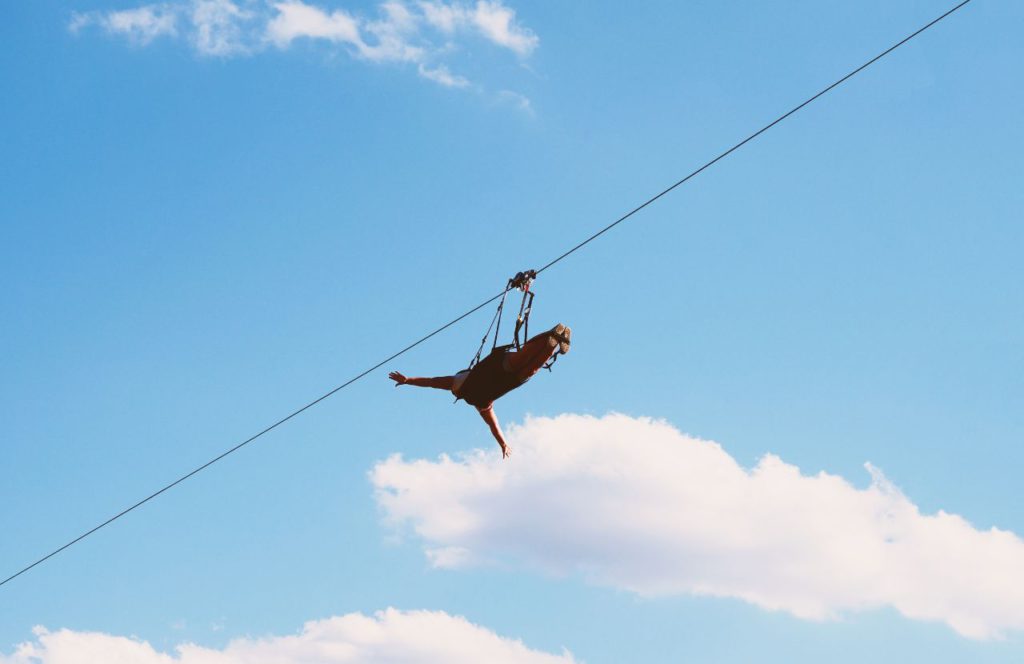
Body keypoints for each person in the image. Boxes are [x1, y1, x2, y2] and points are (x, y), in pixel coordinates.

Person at [389, 324, 571, 459]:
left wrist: (408, 381)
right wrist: (503, 443)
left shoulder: (468, 393)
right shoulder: (471, 395)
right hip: (506, 374)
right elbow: (432, 382)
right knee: (528, 363)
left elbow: (432, 382)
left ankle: (551, 339)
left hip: (503, 372)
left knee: (528, 363)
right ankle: (551, 341)